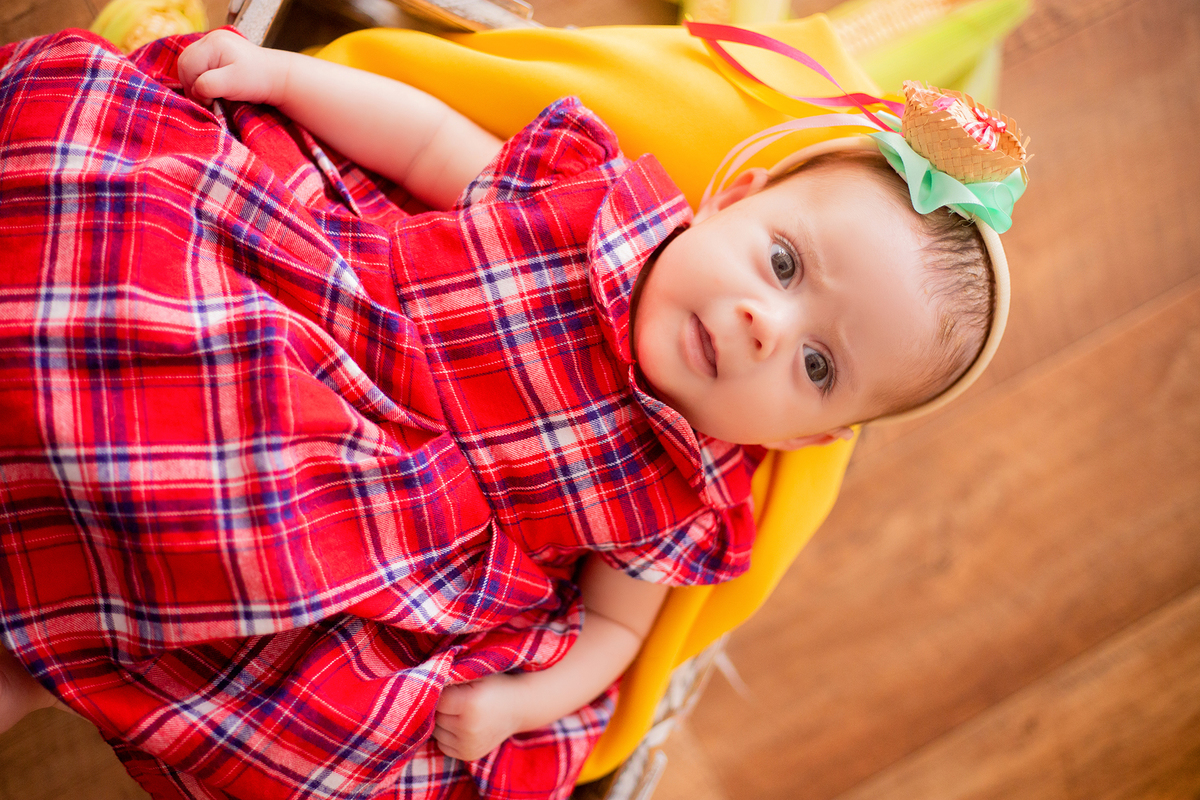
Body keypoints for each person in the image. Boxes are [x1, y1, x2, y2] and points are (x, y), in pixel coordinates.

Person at [0, 24, 1023, 800]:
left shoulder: (682, 490)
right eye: (784, 262)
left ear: (805, 438)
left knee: (263, 625)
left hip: (369, 536)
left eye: (815, 362)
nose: (763, 323)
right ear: (734, 196)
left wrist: (518, 703)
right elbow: (423, 137)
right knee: (122, 222)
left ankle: (49, 659)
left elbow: (612, 639)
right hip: (310, 313)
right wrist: (280, 77)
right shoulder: (590, 196)